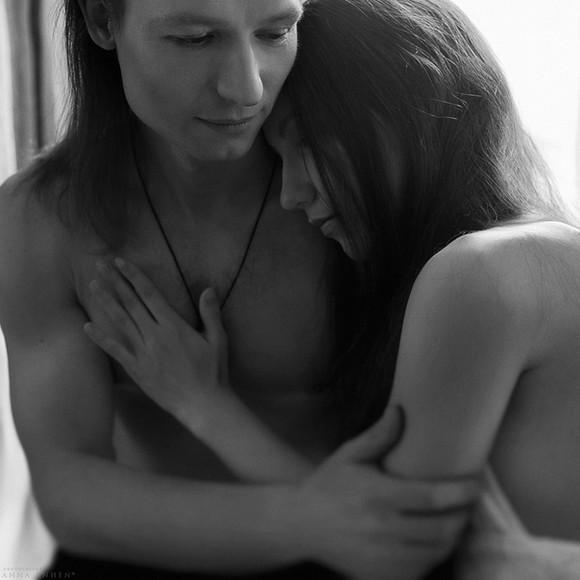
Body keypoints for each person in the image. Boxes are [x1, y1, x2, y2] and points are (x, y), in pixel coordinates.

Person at [82, 0, 580, 578]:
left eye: (306, 143)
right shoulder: (538, 250)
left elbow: (394, 550)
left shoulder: (480, 272)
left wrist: (204, 406)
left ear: (410, 107)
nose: (291, 193)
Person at [0, 0, 477, 579]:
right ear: (102, 20)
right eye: (195, 38)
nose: (248, 88)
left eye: (277, 31)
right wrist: (310, 520)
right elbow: (69, 488)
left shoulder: (343, 193)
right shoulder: (41, 221)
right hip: (146, 558)